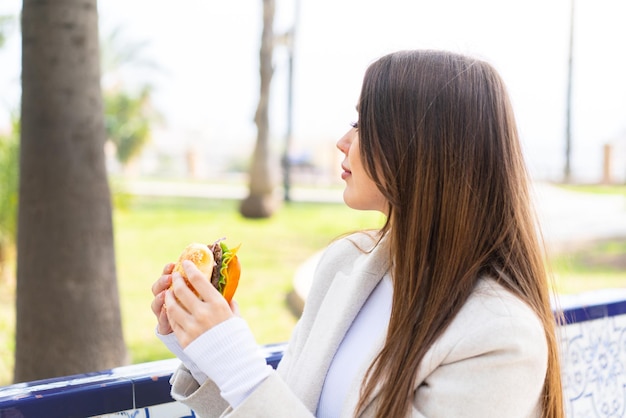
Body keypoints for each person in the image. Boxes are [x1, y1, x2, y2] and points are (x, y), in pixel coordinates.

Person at [151, 49, 564, 418]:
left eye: (364, 123)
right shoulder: (344, 264)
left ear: (422, 148)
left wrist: (238, 363)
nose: (343, 141)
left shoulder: (502, 338)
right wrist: (205, 350)